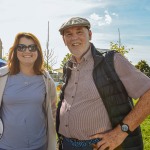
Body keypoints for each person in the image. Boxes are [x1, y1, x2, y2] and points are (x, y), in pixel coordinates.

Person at [56, 17, 150, 150]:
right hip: (67, 144)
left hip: (99, 146)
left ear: (90, 34)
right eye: (68, 34)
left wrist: (121, 131)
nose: (74, 38)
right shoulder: (68, 66)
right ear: (64, 40)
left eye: (79, 32)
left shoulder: (111, 59)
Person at [0, 32, 57, 150]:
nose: (27, 51)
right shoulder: (2, 75)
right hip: (6, 146)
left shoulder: (45, 78)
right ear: (15, 51)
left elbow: (52, 108)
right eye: (21, 47)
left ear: (38, 51)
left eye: (32, 47)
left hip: (39, 145)